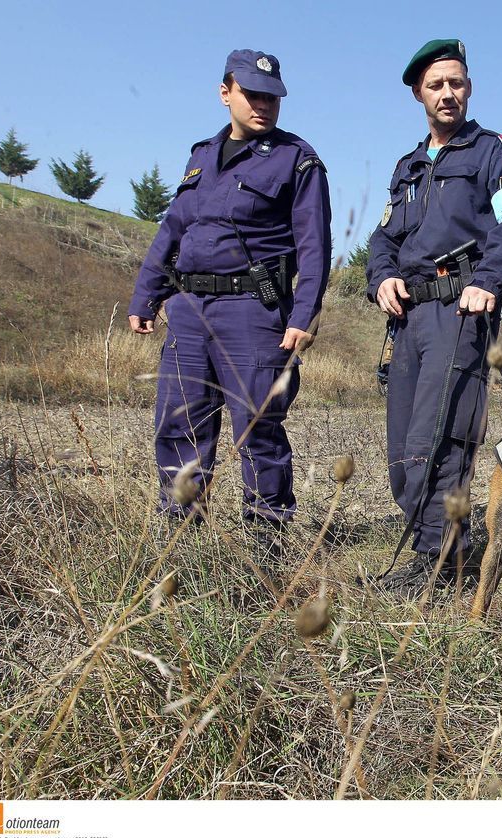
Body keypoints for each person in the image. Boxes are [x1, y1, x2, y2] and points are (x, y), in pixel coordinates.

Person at [129, 49, 332, 551]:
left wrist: (303, 315)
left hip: (255, 313)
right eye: (252, 94)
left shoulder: (297, 160)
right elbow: (172, 230)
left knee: (257, 428)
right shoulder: (201, 157)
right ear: (226, 94)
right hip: (189, 310)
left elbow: (314, 247)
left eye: (272, 97)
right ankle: (177, 539)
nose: (264, 105)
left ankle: (266, 547)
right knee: (179, 423)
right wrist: (145, 295)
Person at [367, 38, 502, 593]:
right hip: (408, 319)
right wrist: (382, 278)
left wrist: (490, 281)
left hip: (460, 312)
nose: (448, 93)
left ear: (469, 88)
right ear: (419, 93)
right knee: (402, 451)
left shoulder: (494, 151)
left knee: (440, 439)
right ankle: (429, 546)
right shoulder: (408, 166)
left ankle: (445, 560)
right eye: (437, 85)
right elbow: (383, 238)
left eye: (457, 83)